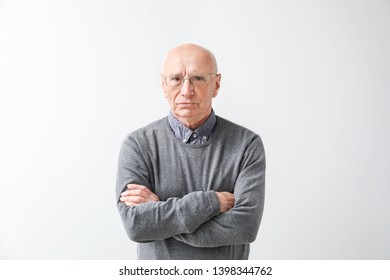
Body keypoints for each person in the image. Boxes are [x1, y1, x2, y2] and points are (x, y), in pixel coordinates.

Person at [116, 43, 266, 259]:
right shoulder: (138, 145)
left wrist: (160, 215)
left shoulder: (246, 144)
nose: (186, 91)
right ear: (163, 85)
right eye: (176, 79)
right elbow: (136, 226)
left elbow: (245, 227)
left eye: (198, 78)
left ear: (216, 84)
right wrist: (209, 203)